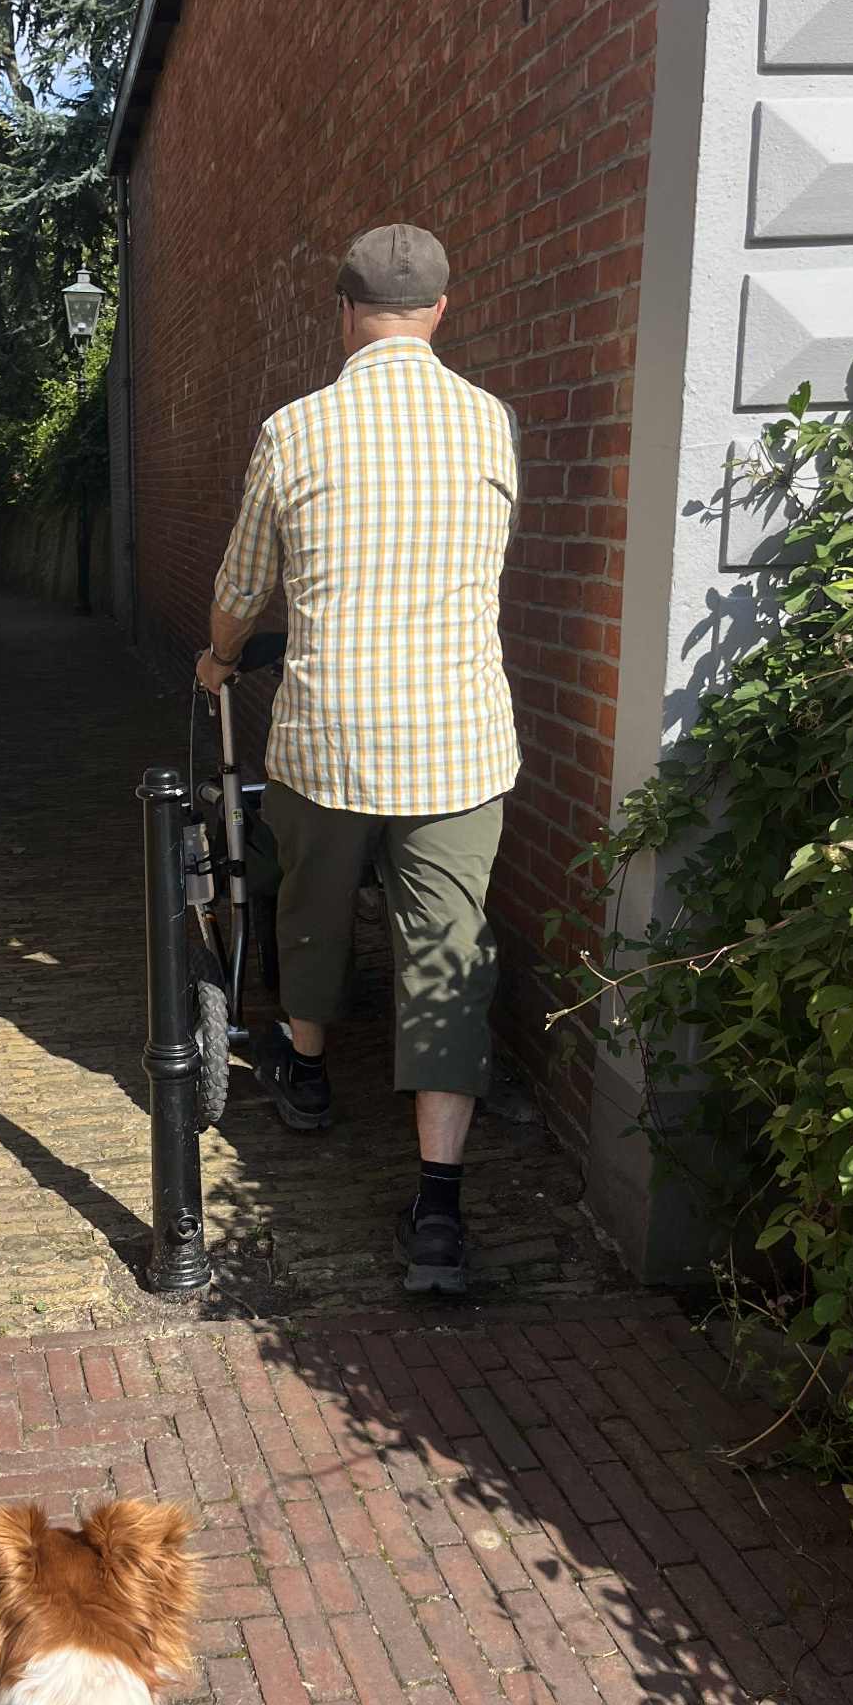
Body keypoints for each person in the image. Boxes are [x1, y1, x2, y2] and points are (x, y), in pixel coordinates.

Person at [196, 223, 520, 1295]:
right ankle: (439, 1209)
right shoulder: (490, 422)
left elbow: (244, 584)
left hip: (330, 738)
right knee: (448, 954)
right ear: (441, 309)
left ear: (343, 312)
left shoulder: (295, 429)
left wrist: (220, 656)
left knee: (311, 907)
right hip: (460, 743)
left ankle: (306, 1069)